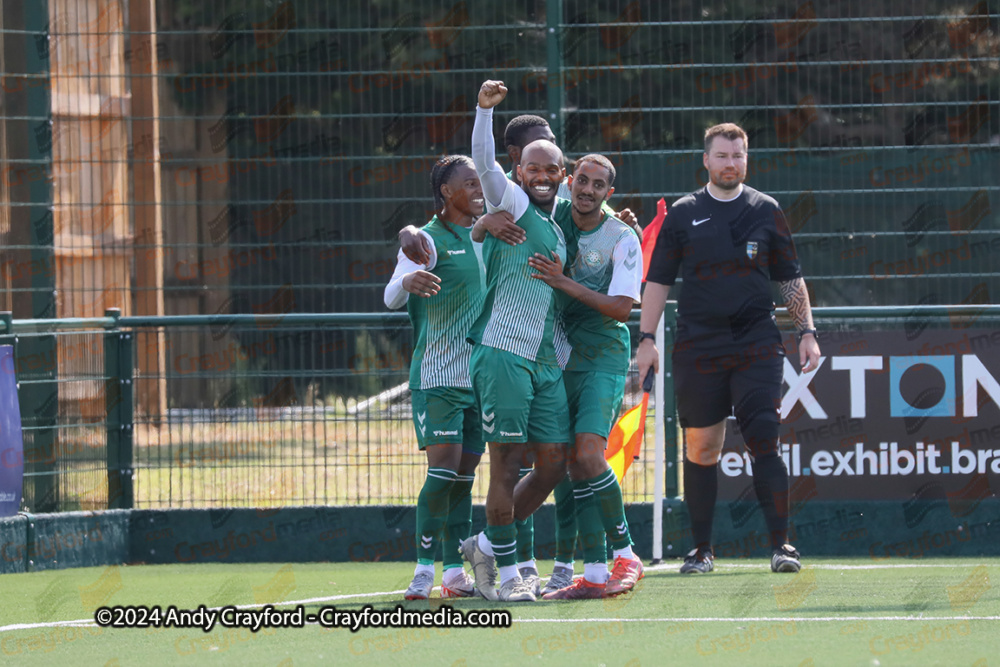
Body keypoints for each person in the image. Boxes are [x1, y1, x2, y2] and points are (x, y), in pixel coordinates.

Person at [636, 123, 821, 575]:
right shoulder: (683, 213)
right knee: (701, 449)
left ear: (746, 159)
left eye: (738, 156)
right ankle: (701, 550)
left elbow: (790, 279)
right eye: (722, 156)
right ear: (706, 160)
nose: (730, 163)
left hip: (756, 343)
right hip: (699, 346)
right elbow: (658, 281)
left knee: (763, 438)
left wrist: (808, 331)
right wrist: (645, 340)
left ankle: (782, 547)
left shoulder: (766, 210)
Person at [479, 153, 645, 598]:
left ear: (609, 192)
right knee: (566, 464)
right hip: (554, 354)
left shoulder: (623, 236)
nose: (588, 190)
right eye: (582, 182)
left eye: (599, 185)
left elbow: (621, 308)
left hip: (603, 357)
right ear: (572, 183)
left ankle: (625, 553)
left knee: (589, 457)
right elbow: (496, 199)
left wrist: (563, 282)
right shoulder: (554, 217)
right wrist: (484, 224)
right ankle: (590, 575)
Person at [459, 79, 571, 602]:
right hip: (502, 352)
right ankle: (505, 576)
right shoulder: (515, 206)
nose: (543, 176)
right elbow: (483, 164)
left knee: (553, 460)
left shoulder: (558, 221)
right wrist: (483, 111)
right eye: (533, 168)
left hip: (543, 360)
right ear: (518, 172)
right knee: (506, 464)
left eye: (552, 169)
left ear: (562, 174)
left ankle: (484, 543)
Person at [384, 155, 487, 599]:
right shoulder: (425, 240)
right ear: (447, 191)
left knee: (465, 475)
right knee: (443, 471)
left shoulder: (490, 235)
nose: (480, 189)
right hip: (439, 374)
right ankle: (423, 570)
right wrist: (407, 283)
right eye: (470, 183)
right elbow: (390, 295)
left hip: (483, 376)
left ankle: (453, 572)